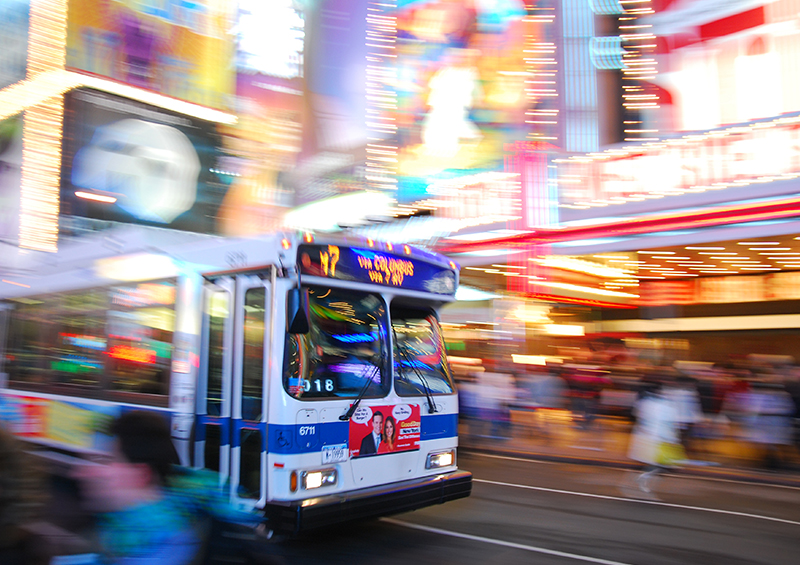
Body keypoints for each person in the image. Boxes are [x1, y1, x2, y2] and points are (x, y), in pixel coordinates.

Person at [75, 410, 263, 565]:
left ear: (141, 475)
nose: (80, 472)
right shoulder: (120, 534)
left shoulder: (159, 549)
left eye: (103, 461)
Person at [627, 381, 684, 495]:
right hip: (661, 439)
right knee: (664, 464)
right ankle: (643, 477)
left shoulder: (644, 403)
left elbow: (638, 418)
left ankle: (643, 477)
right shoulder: (667, 405)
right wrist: (674, 439)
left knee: (655, 463)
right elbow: (671, 424)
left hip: (647, 437)